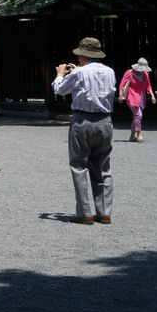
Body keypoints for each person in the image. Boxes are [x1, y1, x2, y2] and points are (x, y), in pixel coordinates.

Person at [52, 37, 117, 224]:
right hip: (105, 121)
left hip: (82, 120)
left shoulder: (79, 72)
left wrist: (60, 74)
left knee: (79, 166)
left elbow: (60, 90)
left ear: (83, 55)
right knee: (102, 166)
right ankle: (104, 212)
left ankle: (84, 213)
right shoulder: (110, 71)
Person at [118, 57, 157, 143]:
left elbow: (148, 86)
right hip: (132, 97)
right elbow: (122, 85)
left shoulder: (145, 74)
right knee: (138, 115)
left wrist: (152, 96)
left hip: (141, 97)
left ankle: (132, 135)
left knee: (136, 116)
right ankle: (139, 133)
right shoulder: (129, 73)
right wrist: (121, 96)